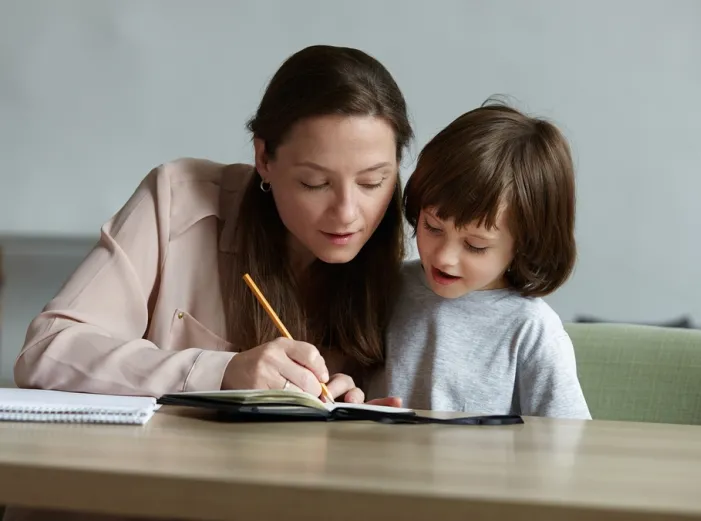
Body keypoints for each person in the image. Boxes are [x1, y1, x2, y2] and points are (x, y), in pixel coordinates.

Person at [13, 45, 412, 407]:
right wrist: (222, 372)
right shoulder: (178, 199)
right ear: (264, 159)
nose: (347, 213)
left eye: (371, 182)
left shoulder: (422, 243)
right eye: (315, 182)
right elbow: (46, 351)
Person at [366, 101, 592, 419]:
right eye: (432, 226)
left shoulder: (531, 330)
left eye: (475, 245)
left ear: (524, 245)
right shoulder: (385, 289)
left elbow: (568, 444)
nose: (444, 257)